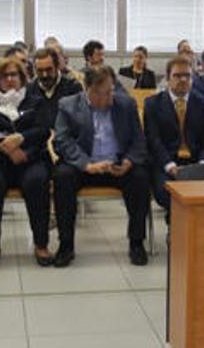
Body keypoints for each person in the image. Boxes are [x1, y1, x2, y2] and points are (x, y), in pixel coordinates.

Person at [53, 66, 152, 267]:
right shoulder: (68, 105)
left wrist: (128, 161)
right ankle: (66, 245)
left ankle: (136, 242)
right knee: (62, 176)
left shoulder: (125, 104)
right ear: (87, 89)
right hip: (85, 166)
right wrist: (86, 164)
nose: (110, 97)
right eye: (104, 92)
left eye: (111, 90)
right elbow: (62, 141)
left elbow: (139, 141)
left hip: (116, 165)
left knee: (140, 177)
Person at [0, 57, 53, 268]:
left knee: (37, 181)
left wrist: (22, 141)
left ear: (22, 78)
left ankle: (41, 244)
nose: (10, 79)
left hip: (29, 159)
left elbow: (42, 130)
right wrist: (4, 143)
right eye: (5, 76)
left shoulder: (35, 101)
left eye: (14, 75)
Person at [144, 56, 204, 214]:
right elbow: (153, 141)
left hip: (196, 162)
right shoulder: (152, 104)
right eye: (177, 76)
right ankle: (177, 231)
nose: (183, 80)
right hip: (166, 163)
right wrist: (170, 166)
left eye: (187, 76)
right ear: (168, 78)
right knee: (169, 194)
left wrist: (202, 166)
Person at [28, 48, 83, 125]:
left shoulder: (73, 87)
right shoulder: (29, 90)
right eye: (40, 71)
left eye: (49, 69)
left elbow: (80, 120)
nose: (45, 75)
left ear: (57, 66)